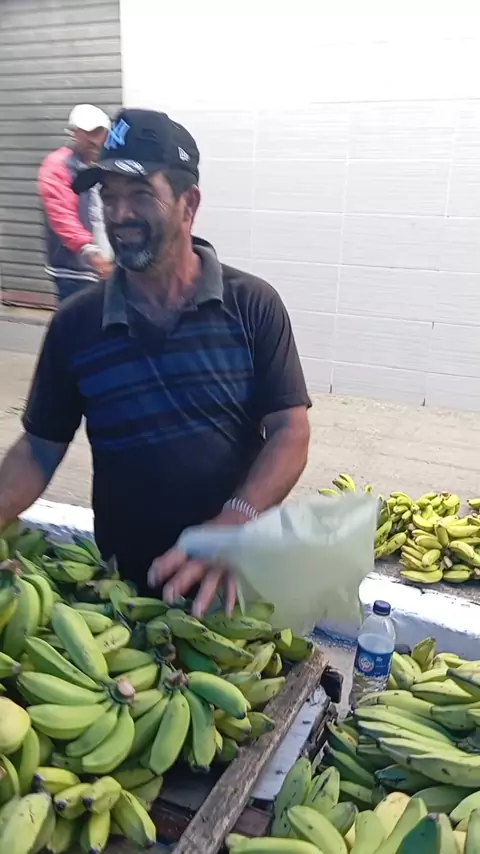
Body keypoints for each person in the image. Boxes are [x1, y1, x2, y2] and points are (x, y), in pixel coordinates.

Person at [0, 108, 310, 616]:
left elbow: (290, 432)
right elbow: (38, 449)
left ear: (189, 204)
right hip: (125, 591)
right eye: (108, 196)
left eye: (141, 194)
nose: (119, 214)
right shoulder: (76, 324)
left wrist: (236, 519)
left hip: (234, 583)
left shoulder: (252, 305)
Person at [37, 104, 114, 303]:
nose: (94, 140)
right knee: (76, 319)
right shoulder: (57, 166)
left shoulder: (105, 163)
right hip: (75, 272)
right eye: (88, 133)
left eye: (99, 132)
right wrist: (93, 254)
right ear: (74, 132)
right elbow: (61, 216)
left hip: (106, 268)